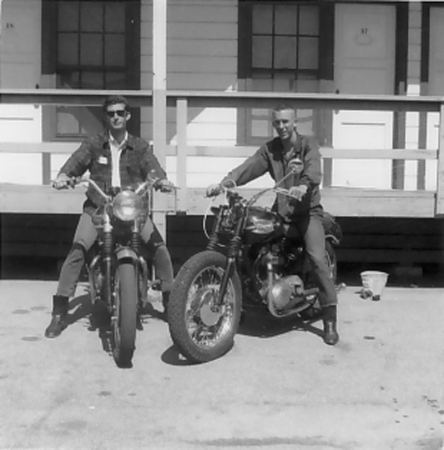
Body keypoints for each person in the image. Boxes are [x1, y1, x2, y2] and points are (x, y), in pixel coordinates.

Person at [207, 104, 339, 345]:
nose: (281, 127)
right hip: (282, 211)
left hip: (307, 213)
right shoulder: (271, 149)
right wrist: (227, 182)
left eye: (285, 122)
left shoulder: (308, 145)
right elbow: (250, 166)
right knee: (256, 243)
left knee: (318, 260)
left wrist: (303, 185)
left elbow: (313, 170)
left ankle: (330, 318)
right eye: (277, 122)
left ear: (295, 122)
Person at [45, 95, 174, 338]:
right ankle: (60, 311)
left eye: (120, 113)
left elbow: (153, 168)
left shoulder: (140, 146)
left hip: (131, 209)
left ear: (128, 116)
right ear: (106, 117)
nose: (116, 117)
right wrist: (64, 176)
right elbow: (74, 164)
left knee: (160, 249)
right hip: (99, 208)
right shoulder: (93, 144)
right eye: (111, 113)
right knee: (78, 248)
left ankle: (170, 303)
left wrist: (161, 180)